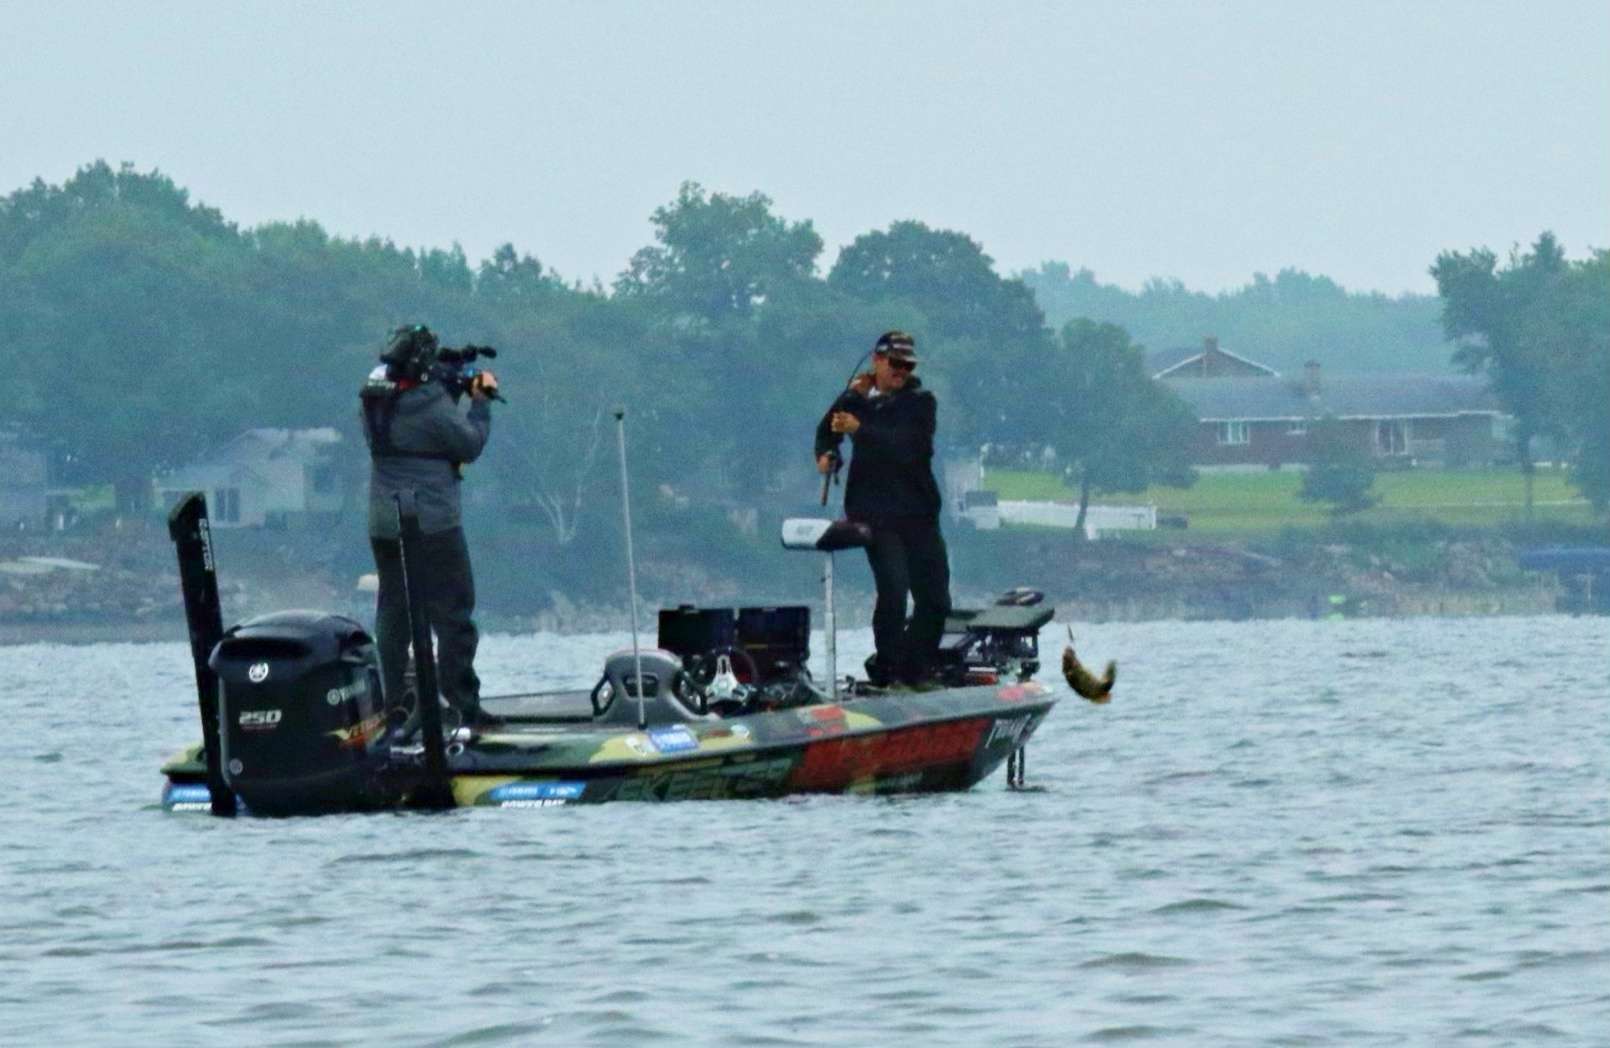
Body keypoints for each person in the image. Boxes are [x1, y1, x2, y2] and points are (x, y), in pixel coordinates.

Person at [360, 324, 501, 732]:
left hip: (384, 521)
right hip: (433, 521)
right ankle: (461, 705)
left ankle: (394, 706)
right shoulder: (430, 402)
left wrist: (446, 383)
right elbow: (468, 444)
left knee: (394, 613)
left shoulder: (373, 398)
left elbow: (416, 432)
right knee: (453, 613)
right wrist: (480, 401)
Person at [814, 330, 952, 687]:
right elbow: (827, 430)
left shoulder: (921, 403)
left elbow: (907, 446)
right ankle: (890, 670)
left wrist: (860, 429)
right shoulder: (855, 399)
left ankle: (914, 668)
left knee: (936, 599)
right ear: (877, 361)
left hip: (919, 513)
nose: (901, 371)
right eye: (895, 363)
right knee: (893, 590)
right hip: (876, 514)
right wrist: (828, 454)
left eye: (908, 365)